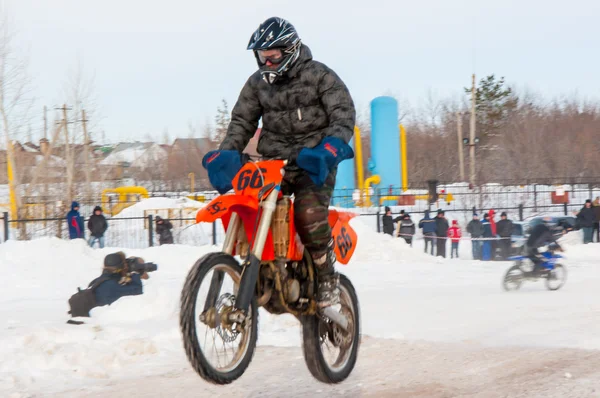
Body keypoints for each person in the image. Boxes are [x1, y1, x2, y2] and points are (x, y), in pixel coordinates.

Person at [201, 17, 356, 308]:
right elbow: (241, 122)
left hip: (313, 162)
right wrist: (226, 153)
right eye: (262, 56)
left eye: (272, 56)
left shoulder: (320, 76)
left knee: (308, 214)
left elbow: (343, 115)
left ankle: (327, 277)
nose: (266, 62)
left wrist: (330, 149)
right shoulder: (257, 83)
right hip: (273, 163)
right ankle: (264, 269)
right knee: (248, 206)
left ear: (291, 49)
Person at [67, 252, 157, 322]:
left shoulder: (97, 281)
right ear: (120, 267)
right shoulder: (111, 286)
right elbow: (137, 290)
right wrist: (136, 273)